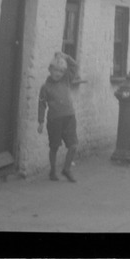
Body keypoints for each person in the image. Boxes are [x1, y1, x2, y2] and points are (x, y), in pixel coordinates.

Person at [37, 52, 79, 182]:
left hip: (69, 118)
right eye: (55, 70)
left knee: (73, 145)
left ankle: (66, 169)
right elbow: (42, 104)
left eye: (61, 71)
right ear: (50, 69)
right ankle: (53, 171)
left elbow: (74, 66)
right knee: (54, 146)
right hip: (54, 120)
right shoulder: (45, 87)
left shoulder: (66, 80)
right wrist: (40, 121)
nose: (58, 74)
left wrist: (66, 56)